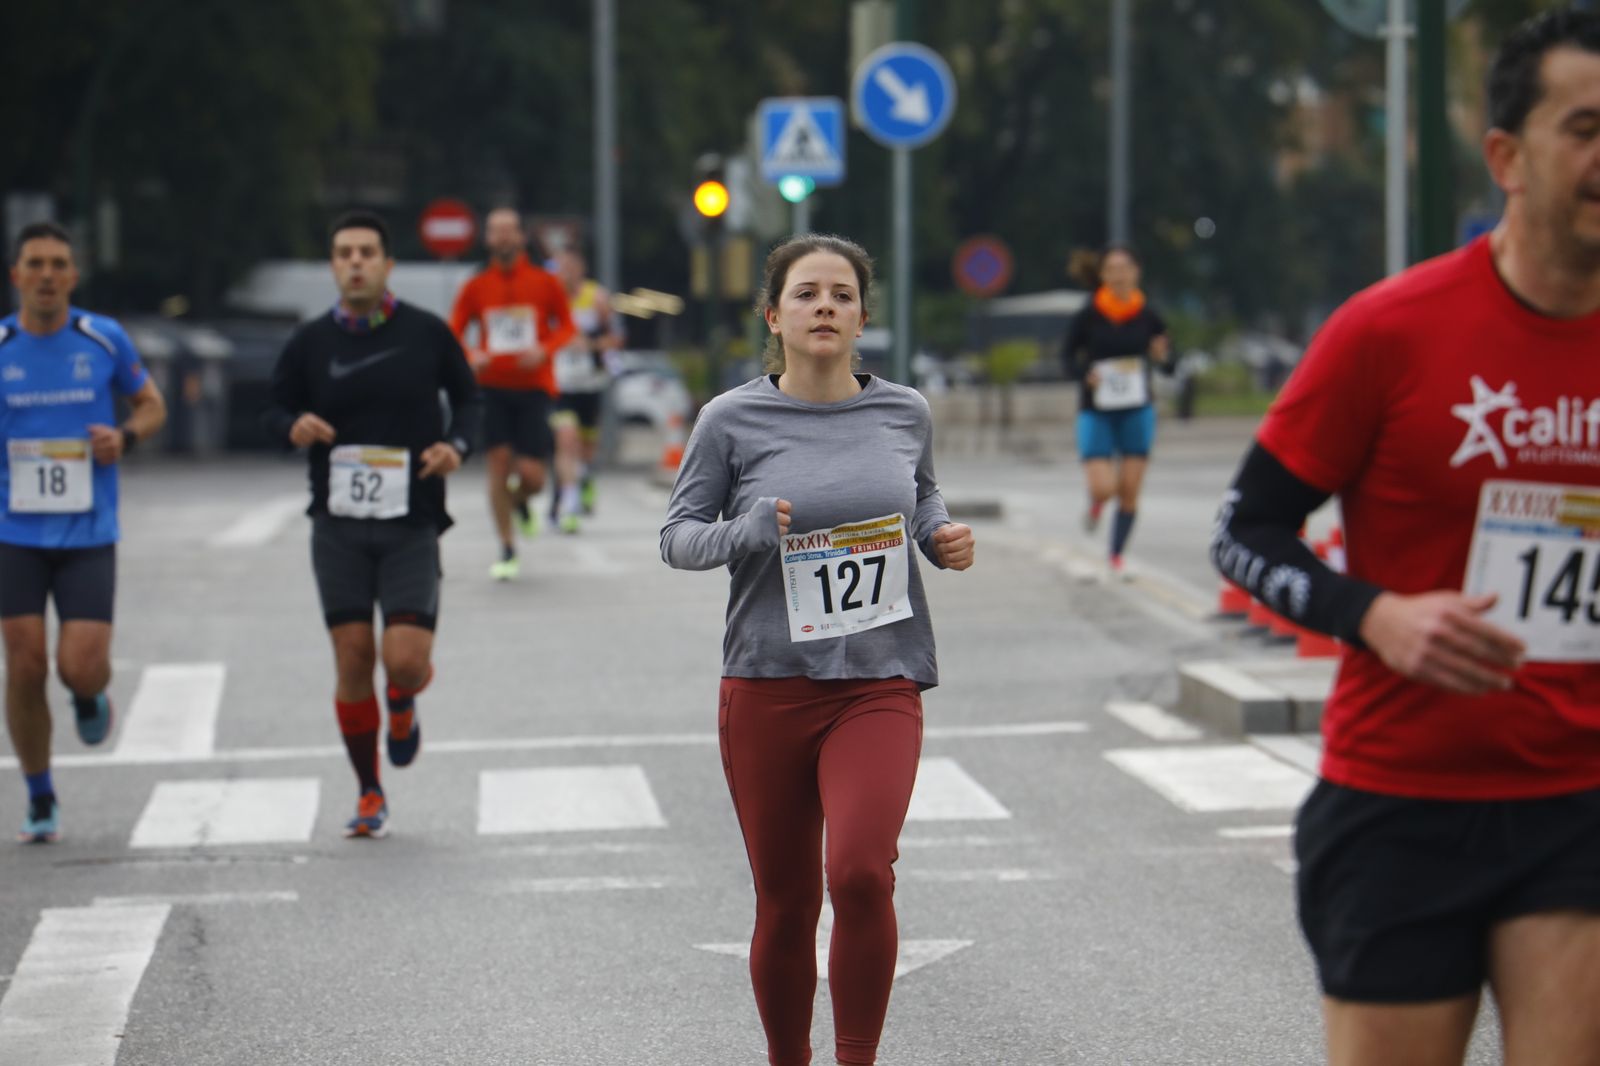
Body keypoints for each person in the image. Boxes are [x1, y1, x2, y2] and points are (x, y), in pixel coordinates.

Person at [1210, 9, 1600, 1064]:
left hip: (1579, 798)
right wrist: (1371, 614)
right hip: (1402, 800)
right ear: (1506, 157)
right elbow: (1245, 531)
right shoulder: (1389, 332)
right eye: (1586, 128)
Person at [661, 234, 975, 1066]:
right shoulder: (728, 420)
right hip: (766, 683)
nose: (825, 306)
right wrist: (748, 532)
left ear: (864, 316)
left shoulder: (903, 410)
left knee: (863, 872)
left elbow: (922, 490)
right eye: (807, 294)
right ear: (775, 316)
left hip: (880, 678)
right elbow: (677, 538)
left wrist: (937, 532)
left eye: (842, 294)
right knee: (788, 899)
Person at [265, 210, 480, 839]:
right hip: (337, 524)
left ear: (386, 264)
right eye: (343, 253)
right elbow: (273, 408)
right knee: (353, 655)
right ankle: (368, 790)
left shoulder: (426, 334)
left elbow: (468, 400)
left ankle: (404, 699)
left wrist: (456, 447)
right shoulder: (309, 343)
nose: (355, 262)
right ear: (334, 266)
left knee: (404, 660)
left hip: (412, 519)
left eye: (366, 252)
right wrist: (291, 426)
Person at [1, 222, 167, 844]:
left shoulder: (102, 339)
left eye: (58, 264)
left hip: (88, 530)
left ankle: (89, 695)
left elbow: (153, 405)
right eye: (35, 264)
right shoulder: (0, 346)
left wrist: (124, 436)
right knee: (23, 662)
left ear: (73, 276)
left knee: (81, 665)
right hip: (13, 529)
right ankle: (40, 793)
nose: (46, 275)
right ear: (16, 275)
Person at [449, 209, 575, 579]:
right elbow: (454, 329)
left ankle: (521, 503)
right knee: (498, 463)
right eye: (495, 232)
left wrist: (545, 350)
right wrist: (472, 354)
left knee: (533, 476)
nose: (503, 238)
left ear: (520, 237)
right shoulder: (476, 286)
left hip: (534, 387)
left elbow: (565, 327)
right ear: (487, 239)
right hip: (491, 387)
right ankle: (506, 547)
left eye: (509, 231)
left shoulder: (543, 282)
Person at [1059, 245, 1172, 577]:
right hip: (1097, 410)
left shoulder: (1148, 314)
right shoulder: (1090, 313)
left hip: (1137, 410)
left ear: (1137, 272)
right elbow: (1067, 357)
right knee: (1104, 487)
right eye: (1112, 269)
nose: (1119, 275)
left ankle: (1116, 555)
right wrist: (1085, 375)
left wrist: (1162, 354)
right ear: (1103, 275)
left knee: (1129, 490)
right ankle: (1096, 504)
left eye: (1125, 268)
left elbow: (1168, 364)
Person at [549, 247, 623, 533]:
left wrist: (590, 345)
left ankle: (585, 477)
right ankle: (569, 506)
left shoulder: (597, 298)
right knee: (566, 440)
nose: (564, 274)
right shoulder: (549, 299)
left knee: (586, 448)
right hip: (559, 383)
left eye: (569, 267)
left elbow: (615, 338)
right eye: (559, 268)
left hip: (590, 382)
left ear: (580, 269)